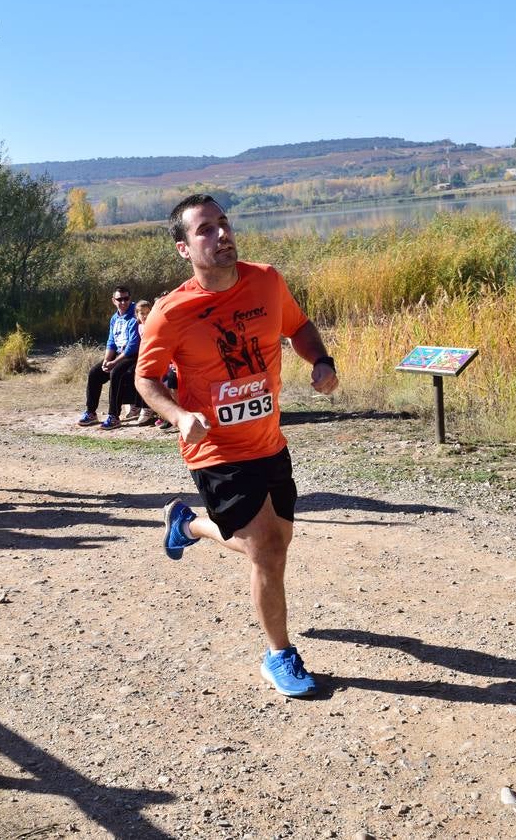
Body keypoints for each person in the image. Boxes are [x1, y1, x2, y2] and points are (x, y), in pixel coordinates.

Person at [135, 194, 339, 697]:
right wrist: (180, 416)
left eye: (223, 223)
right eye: (205, 229)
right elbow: (146, 379)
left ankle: (187, 524)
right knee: (267, 549)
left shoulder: (266, 281)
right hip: (215, 449)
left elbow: (300, 326)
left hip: (268, 440)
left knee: (272, 544)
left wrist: (321, 361)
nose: (221, 234)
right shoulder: (170, 312)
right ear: (184, 248)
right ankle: (279, 656)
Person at [77, 286, 140, 430]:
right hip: (118, 354)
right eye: (120, 299)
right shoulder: (114, 318)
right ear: (113, 301)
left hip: (132, 355)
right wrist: (106, 360)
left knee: (116, 372)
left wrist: (113, 363)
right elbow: (111, 341)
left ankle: (114, 416)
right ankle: (91, 412)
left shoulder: (135, 316)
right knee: (95, 373)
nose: (123, 302)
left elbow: (133, 345)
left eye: (126, 299)